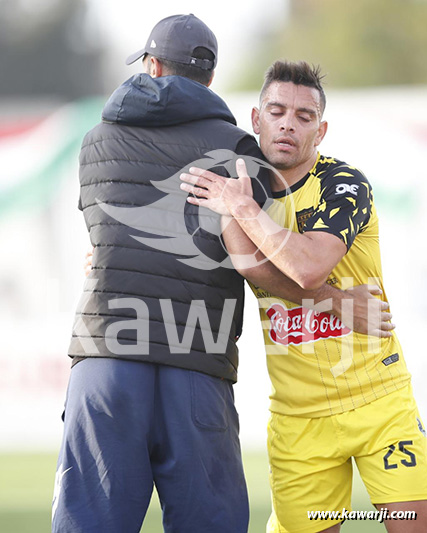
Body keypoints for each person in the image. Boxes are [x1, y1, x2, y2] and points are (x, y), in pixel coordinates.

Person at [54, 15, 393, 530]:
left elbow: (103, 240)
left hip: (105, 354)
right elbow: (255, 267)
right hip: (197, 359)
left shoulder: (95, 140)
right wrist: (340, 303)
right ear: (209, 79)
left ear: (151, 66)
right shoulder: (240, 152)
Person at [180, 60, 427, 533]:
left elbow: (310, 266)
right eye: (276, 111)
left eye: (304, 116)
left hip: (379, 398)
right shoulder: (240, 188)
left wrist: (243, 211)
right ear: (256, 120)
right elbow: (251, 268)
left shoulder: (343, 184)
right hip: (298, 416)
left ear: (322, 129)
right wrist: (335, 302)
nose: (288, 123)